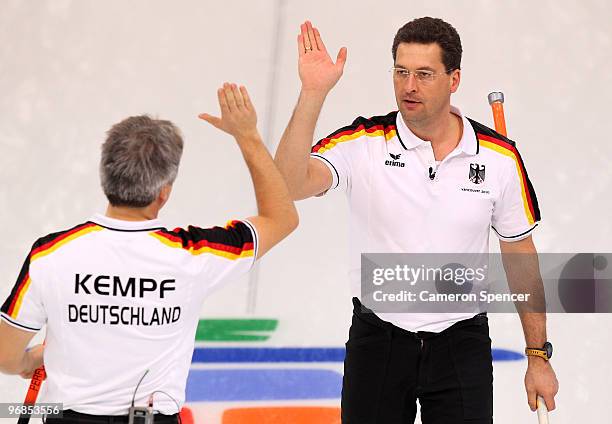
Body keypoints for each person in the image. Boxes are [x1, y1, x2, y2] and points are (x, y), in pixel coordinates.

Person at [274, 17, 558, 423]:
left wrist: (537, 356)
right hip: (379, 344)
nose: (409, 86)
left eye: (424, 74)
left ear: (454, 78)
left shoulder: (498, 158)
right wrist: (312, 94)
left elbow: (520, 256)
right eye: (401, 72)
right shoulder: (362, 143)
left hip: (462, 346)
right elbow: (285, 183)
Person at [0, 83, 298, 422]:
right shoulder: (195, 254)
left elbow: (6, 356)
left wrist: (31, 360)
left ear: (105, 176)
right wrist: (247, 136)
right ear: (164, 193)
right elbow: (281, 217)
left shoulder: (51, 255)